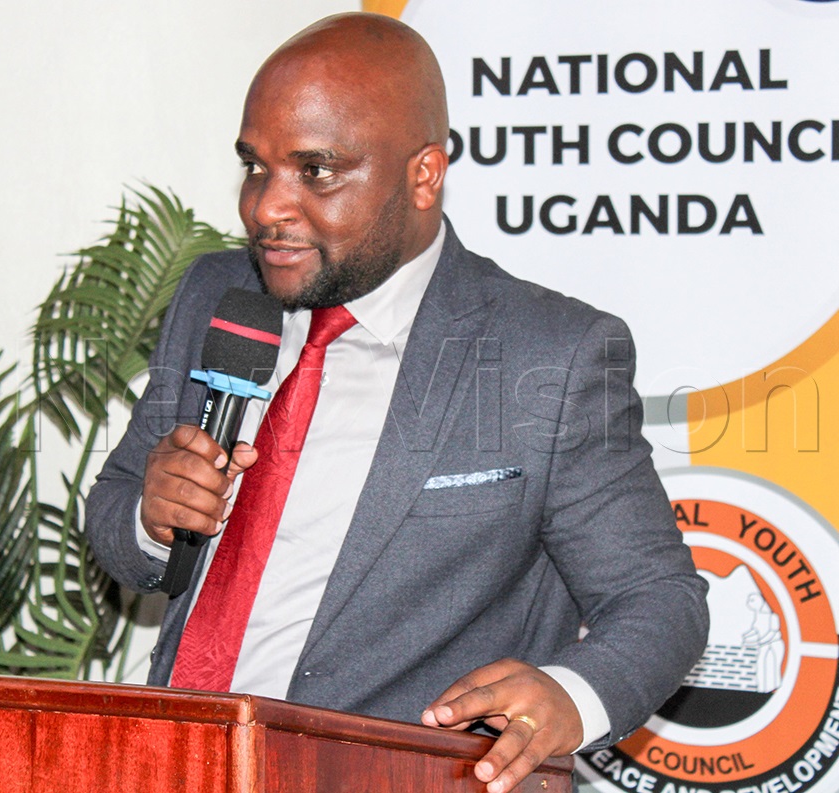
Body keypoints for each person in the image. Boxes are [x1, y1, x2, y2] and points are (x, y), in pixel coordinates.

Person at [86, 12, 709, 793]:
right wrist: (151, 515)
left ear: (423, 174)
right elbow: (116, 516)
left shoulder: (549, 352)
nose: (265, 208)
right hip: (174, 765)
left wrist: (571, 699)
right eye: (255, 166)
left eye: (316, 171)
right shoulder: (218, 292)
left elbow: (659, 599)